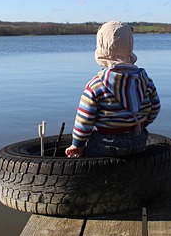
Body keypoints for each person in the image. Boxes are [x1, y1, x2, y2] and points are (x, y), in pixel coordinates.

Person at [65, 21, 161, 158]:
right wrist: (141, 123)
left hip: (105, 144)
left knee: (85, 157)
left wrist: (77, 144)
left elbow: (84, 120)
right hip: (138, 141)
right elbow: (155, 107)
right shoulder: (145, 81)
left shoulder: (96, 85)